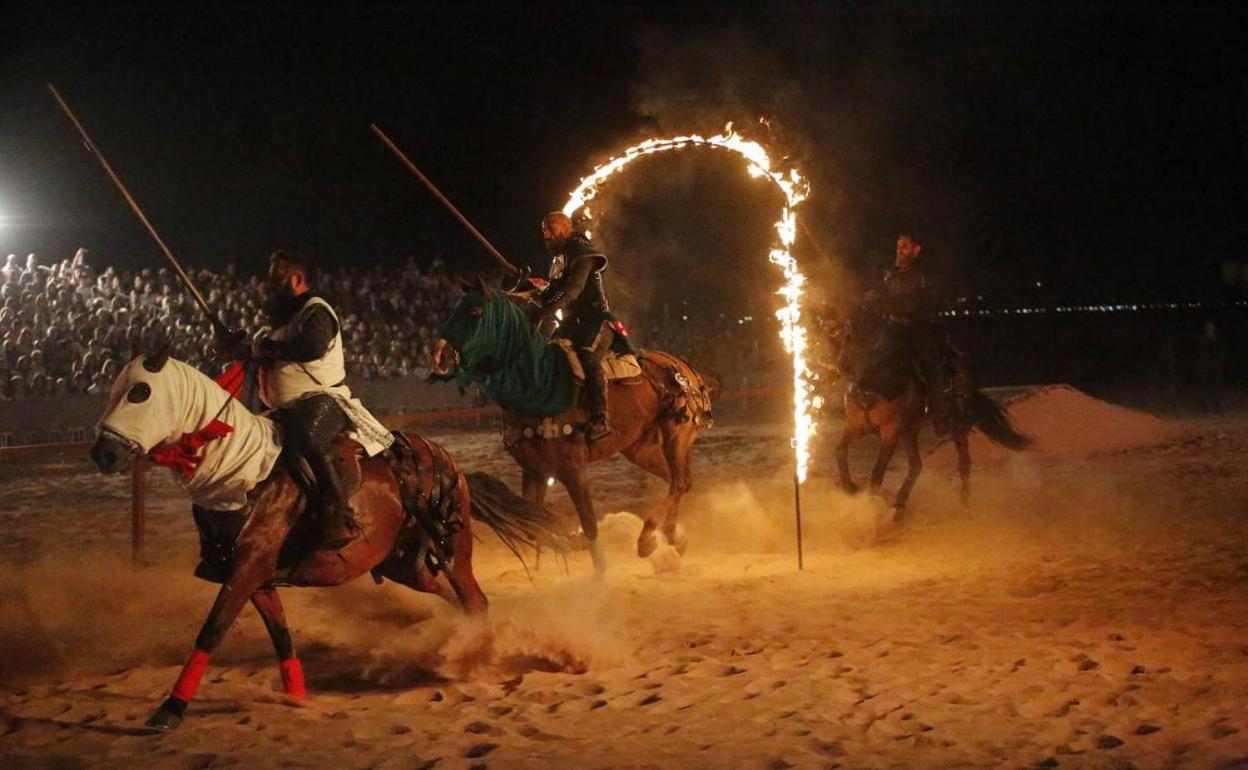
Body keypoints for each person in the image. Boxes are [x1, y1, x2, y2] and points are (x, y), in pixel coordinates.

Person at [215, 250, 393, 549]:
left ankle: (339, 511)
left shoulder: (315, 310)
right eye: (270, 278)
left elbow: (310, 345)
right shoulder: (276, 325)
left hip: (320, 399)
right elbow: (262, 350)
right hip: (279, 407)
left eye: (277, 278)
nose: (269, 284)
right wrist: (236, 348)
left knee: (306, 437)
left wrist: (263, 350)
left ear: (296, 279)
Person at [536, 212, 631, 442]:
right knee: (546, 354)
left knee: (588, 357)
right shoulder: (561, 261)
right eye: (544, 230)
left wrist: (547, 310)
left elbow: (573, 291)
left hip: (596, 320)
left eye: (551, 228)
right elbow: (551, 292)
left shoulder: (582, 253)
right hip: (571, 324)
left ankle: (600, 419)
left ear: (566, 228)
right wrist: (524, 283)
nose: (546, 234)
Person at [874, 231, 966, 430]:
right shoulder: (889, 273)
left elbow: (931, 301)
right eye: (898, 246)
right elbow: (881, 296)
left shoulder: (925, 275)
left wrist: (904, 306)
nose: (899, 250)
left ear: (916, 250)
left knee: (929, 364)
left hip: (919, 328)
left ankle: (938, 411)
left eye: (904, 246)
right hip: (895, 327)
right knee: (876, 354)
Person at [1195, 320, 1227, 414]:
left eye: (1211, 327)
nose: (1210, 329)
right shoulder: (1201, 340)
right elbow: (1198, 354)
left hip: (1215, 367)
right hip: (1204, 367)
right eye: (1208, 327)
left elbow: (1222, 353)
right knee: (1203, 388)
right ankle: (1204, 408)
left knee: (1216, 388)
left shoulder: (1218, 340)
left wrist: (1220, 364)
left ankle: (1217, 408)